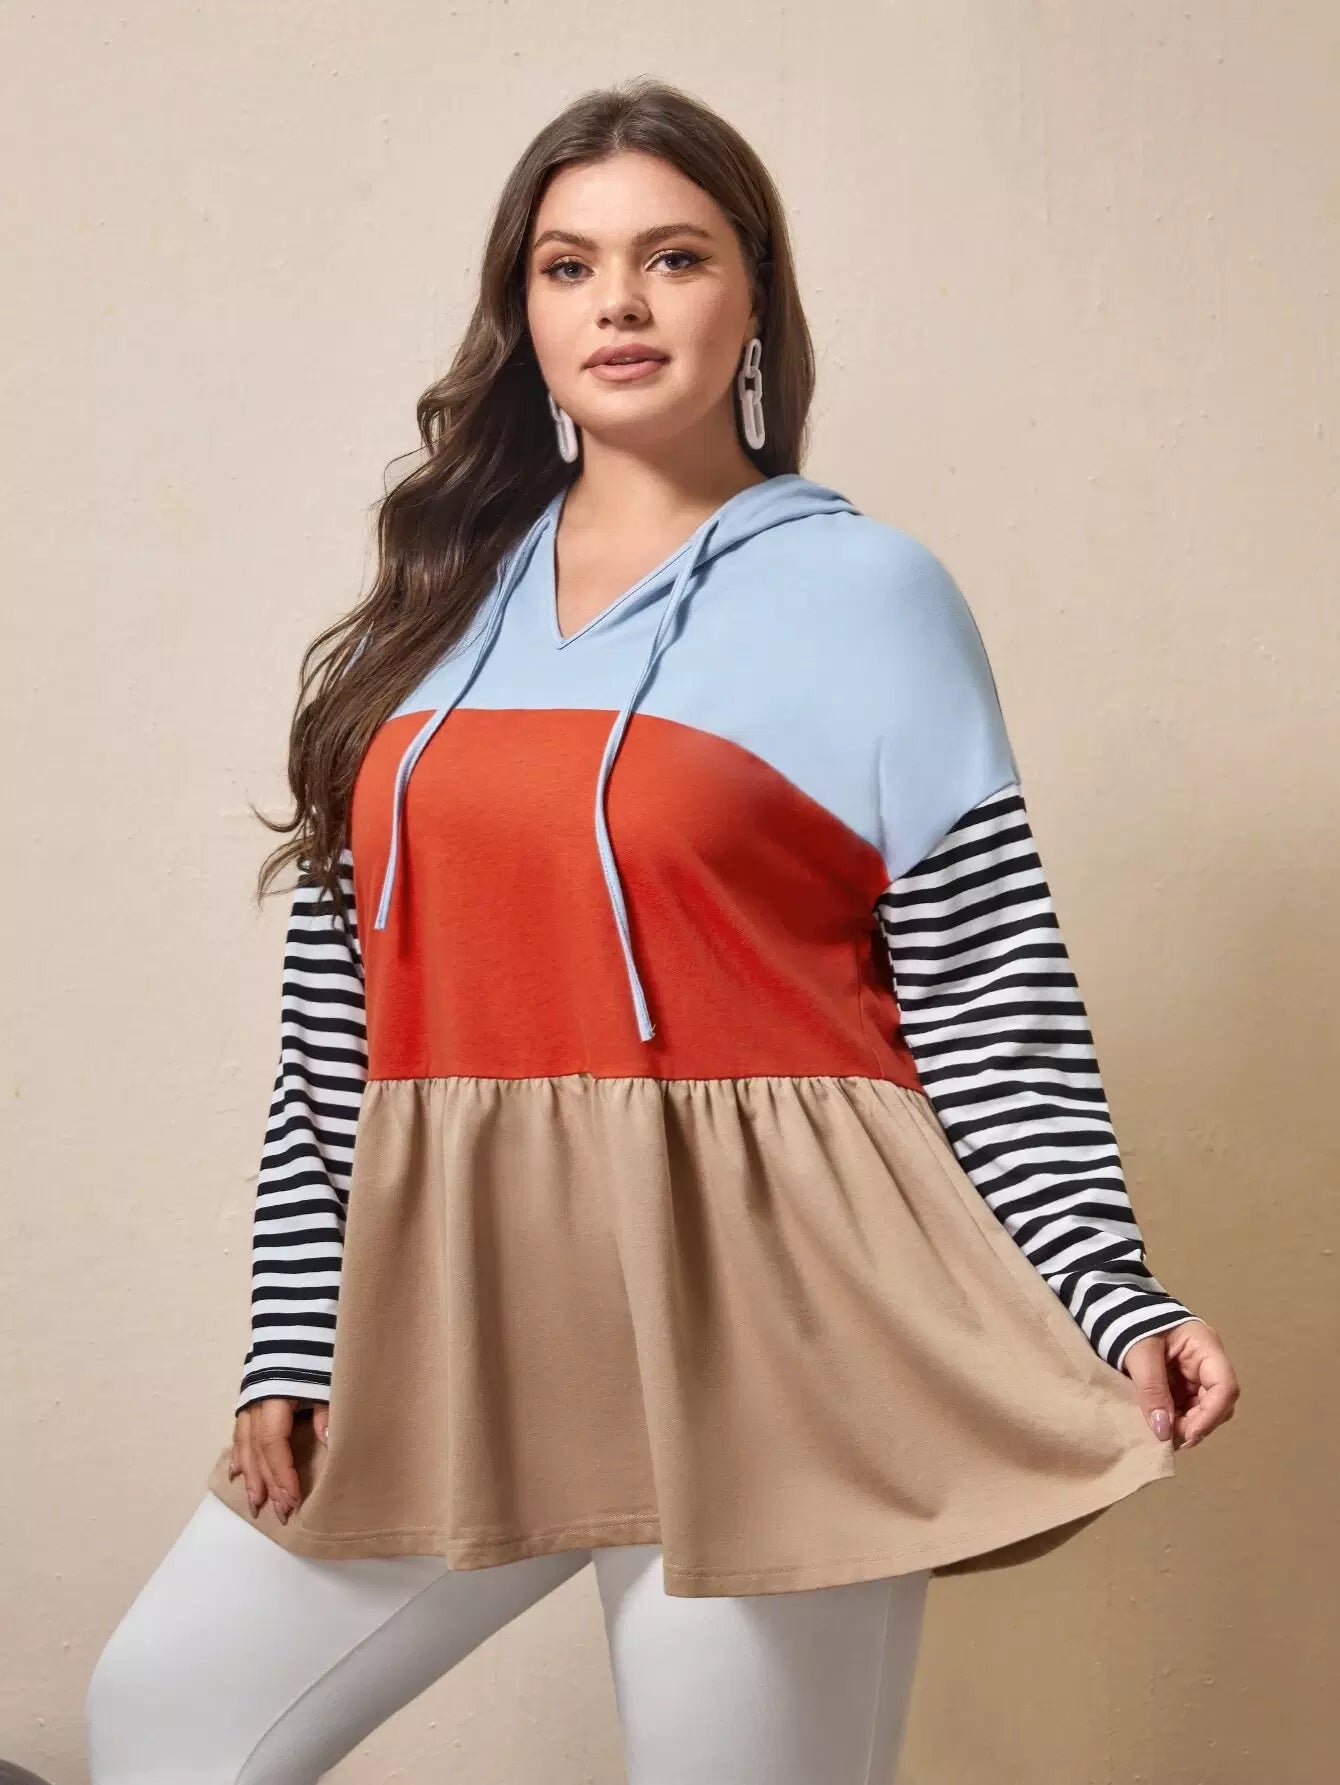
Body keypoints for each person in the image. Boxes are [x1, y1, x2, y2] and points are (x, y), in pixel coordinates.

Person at [85, 76, 1239, 1784]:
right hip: (459, 1308)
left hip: (778, 1322)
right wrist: (292, 1329)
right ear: (524, 311)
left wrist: (1111, 1285)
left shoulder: (867, 593)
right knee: (167, 1710)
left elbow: (990, 992)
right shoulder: (432, 608)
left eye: (673, 257)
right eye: (570, 266)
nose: (618, 303)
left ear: (753, 296)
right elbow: (340, 1021)